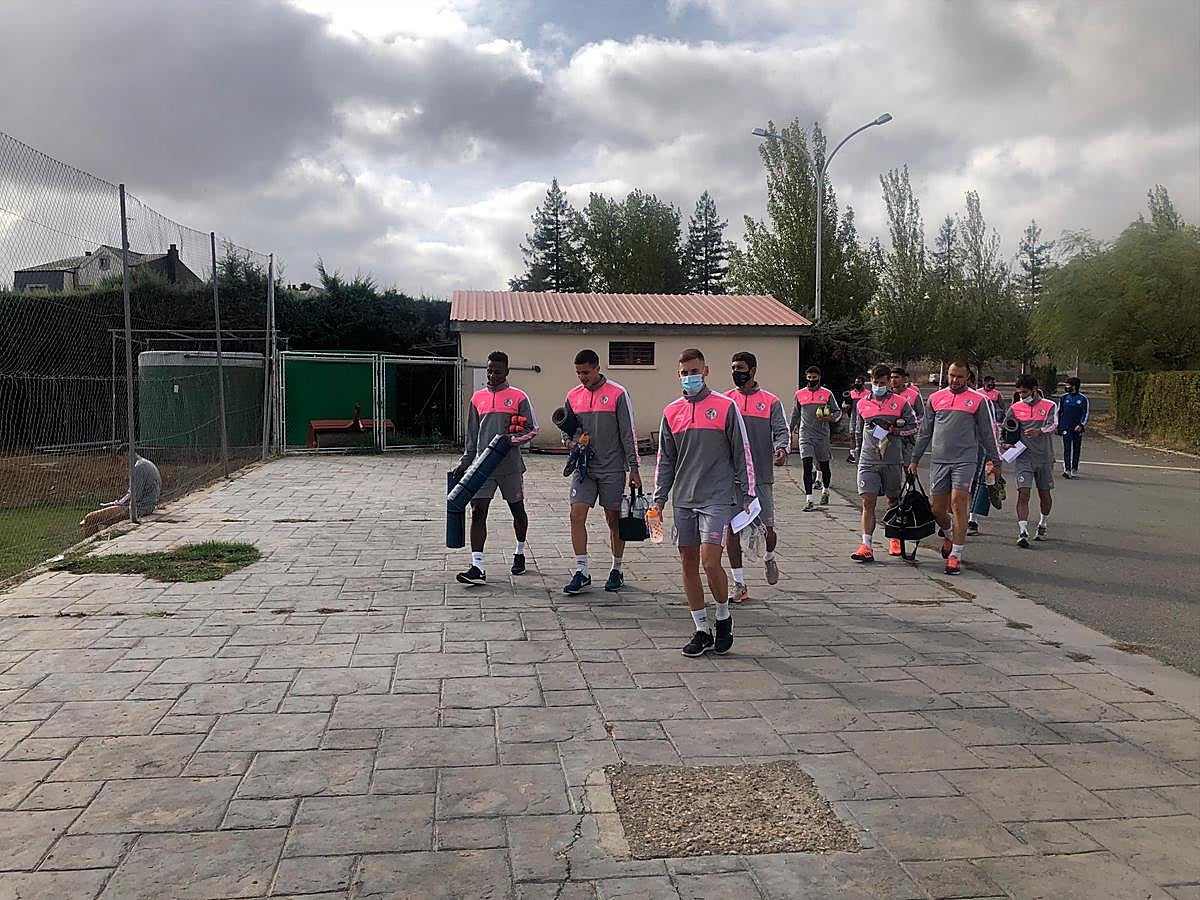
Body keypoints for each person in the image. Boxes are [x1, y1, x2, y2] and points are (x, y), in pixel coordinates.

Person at [653, 348, 754, 657]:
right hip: (684, 498)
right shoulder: (671, 412)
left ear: (706, 370)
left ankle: (723, 616)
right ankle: (700, 629)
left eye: (695, 371)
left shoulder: (724, 407)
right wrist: (658, 499)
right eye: (684, 373)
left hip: (716, 498)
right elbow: (664, 460)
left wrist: (748, 493)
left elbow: (742, 450)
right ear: (678, 375)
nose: (690, 377)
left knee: (711, 562)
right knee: (688, 564)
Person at [907, 360, 1001, 575]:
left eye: (959, 376)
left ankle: (955, 555)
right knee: (937, 510)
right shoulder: (935, 398)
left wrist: (996, 461)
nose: (955, 380)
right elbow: (924, 432)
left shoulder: (979, 400)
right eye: (951, 375)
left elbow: (989, 433)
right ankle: (949, 534)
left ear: (968, 377)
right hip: (939, 461)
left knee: (958, 504)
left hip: (965, 461)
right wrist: (914, 459)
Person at [452, 351, 537, 585]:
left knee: (517, 511)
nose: (492, 374)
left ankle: (519, 553)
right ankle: (477, 567)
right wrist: (465, 462)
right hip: (482, 468)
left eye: (497, 371)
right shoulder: (477, 398)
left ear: (507, 371)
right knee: (478, 512)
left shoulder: (518, 397)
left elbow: (531, 429)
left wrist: (512, 440)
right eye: (489, 370)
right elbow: (472, 436)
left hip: (509, 467)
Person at [562, 349, 641, 594]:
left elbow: (628, 433)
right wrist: (570, 442)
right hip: (584, 468)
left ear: (597, 368)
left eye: (585, 372)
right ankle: (581, 570)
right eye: (578, 373)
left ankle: (616, 568)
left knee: (613, 519)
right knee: (576, 515)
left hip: (612, 468)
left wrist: (634, 468)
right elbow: (568, 428)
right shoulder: (573, 396)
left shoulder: (618, 393)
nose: (582, 377)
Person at [725, 351, 789, 601]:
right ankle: (739, 584)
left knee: (767, 529)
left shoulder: (770, 401)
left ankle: (769, 557)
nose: (735, 372)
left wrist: (782, 449)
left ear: (753, 370)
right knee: (731, 530)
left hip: (760, 475)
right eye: (732, 367)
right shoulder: (726, 401)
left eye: (740, 367)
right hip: (732, 478)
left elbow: (782, 431)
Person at [850, 365, 918, 562]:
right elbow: (857, 429)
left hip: (892, 459)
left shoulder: (901, 402)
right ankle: (866, 545)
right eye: (875, 383)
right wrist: (856, 451)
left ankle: (894, 538)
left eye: (882, 383)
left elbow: (914, 427)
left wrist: (895, 431)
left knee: (892, 500)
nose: (878, 386)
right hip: (868, 459)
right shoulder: (863, 403)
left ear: (889, 382)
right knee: (867, 501)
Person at [1006, 374, 1058, 547]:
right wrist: (1004, 443)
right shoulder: (1015, 408)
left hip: (1044, 458)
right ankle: (1023, 531)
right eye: (1019, 393)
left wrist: (1039, 431)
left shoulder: (1050, 405)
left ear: (1035, 389)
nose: (1022, 395)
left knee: (1044, 494)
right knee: (1024, 493)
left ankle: (1043, 523)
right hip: (1024, 458)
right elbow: (1006, 428)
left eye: (1025, 392)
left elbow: (1053, 425)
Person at [790, 365, 842, 511]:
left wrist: (831, 418)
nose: (812, 380)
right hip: (805, 434)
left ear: (819, 377)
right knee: (806, 465)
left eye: (814, 377)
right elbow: (795, 413)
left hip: (822, 435)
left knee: (824, 466)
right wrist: (790, 428)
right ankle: (809, 499)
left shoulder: (826, 394)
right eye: (809, 377)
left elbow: (837, 411)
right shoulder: (800, 394)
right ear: (806, 378)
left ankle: (825, 490)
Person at [80, 446, 161, 537]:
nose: (122, 463)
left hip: (139, 508)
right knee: (106, 521)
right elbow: (133, 493)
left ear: (126, 455)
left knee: (91, 518)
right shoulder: (146, 463)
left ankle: (90, 543)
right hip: (148, 505)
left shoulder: (138, 468)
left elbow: (135, 496)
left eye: (121, 459)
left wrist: (118, 505)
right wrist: (117, 503)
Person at [1058, 376, 1089, 478]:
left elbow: (1085, 413)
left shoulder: (1083, 399)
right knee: (1067, 448)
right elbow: (1059, 412)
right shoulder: (1063, 398)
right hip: (1066, 426)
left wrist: (1081, 424)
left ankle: (1074, 468)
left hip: (1077, 427)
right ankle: (1067, 469)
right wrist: (1059, 425)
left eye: (1068, 385)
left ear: (1075, 386)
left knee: (1076, 448)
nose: (1067, 387)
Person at [843, 374, 869, 463]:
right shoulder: (851, 393)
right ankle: (852, 454)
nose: (856, 384)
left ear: (863, 383)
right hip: (853, 417)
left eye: (858, 382)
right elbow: (845, 406)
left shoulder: (868, 394)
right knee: (852, 435)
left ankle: (862, 453)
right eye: (855, 382)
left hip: (863, 418)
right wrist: (846, 407)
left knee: (862, 436)